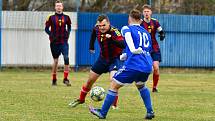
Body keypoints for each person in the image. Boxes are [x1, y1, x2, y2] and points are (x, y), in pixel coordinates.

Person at [89, 9, 155, 120]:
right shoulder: (146, 33)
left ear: (130, 18)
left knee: (114, 84)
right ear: (141, 20)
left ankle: (102, 112)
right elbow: (146, 49)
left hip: (134, 65)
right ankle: (150, 111)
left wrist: (133, 51)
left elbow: (128, 42)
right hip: (147, 65)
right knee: (141, 85)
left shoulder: (126, 28)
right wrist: (126, 55)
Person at [69, 14, 125, 109]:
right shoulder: (96, 28)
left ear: (108, 23)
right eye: (100, 26)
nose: (101, 28)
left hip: (114, 60)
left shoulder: (115, 32)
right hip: (102, 59)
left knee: (113, 80)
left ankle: (114, 105)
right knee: (90, 81)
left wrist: (111, 38)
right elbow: (93, 34)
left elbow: (123, 44)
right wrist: (91, 46)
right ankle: (81, 99)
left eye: (104, 25)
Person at [45, 0, 71, 86]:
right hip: (54, 42)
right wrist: (51, 35)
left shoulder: (67, 17)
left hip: (63, 41)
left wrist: (68, 33)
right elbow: (46, 29)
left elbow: (69, 27)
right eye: (57, 6)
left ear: (62, 7)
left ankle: (65, 79)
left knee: (66, 58)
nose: (59, 7)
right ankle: (54, 79)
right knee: (55, 61)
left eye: (60, 6)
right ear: (55, 7)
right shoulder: (51, 17)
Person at [140, 4, 165, 92]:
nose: (146, 13)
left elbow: (161, 31)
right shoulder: (140, 23)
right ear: (143, 13)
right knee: (145, 68)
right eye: (145, 12)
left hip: (154, 48)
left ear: (151, 12)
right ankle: (141, 85)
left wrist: (162, 35)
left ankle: (154, 87)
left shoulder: (155, 22)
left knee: (156, 68)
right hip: (144, 48)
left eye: (148, 11)